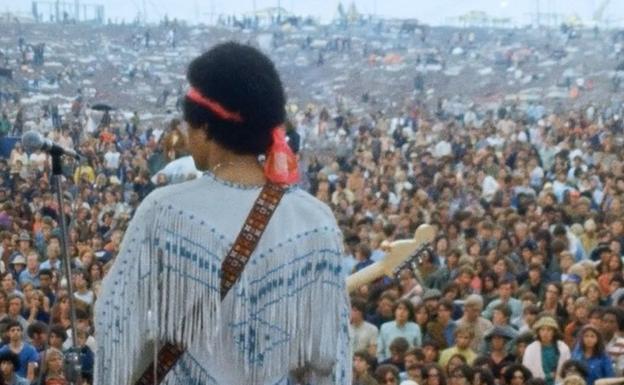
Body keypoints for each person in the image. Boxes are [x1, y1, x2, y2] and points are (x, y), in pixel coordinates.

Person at [94, 42, 351, 385]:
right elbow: (326, 358)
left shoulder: (164, 211)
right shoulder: (316, 221)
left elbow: (115, 321)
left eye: (188, 126)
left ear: (206, 128)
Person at [523, 316, 571, 385]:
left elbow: (567, 369)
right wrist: (547, 376)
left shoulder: (563, 348)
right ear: (538, 332)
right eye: (542, 330)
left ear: (554, 332)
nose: (545, 333)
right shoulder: (531, 349)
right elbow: (527, 369)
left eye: (549, 330)